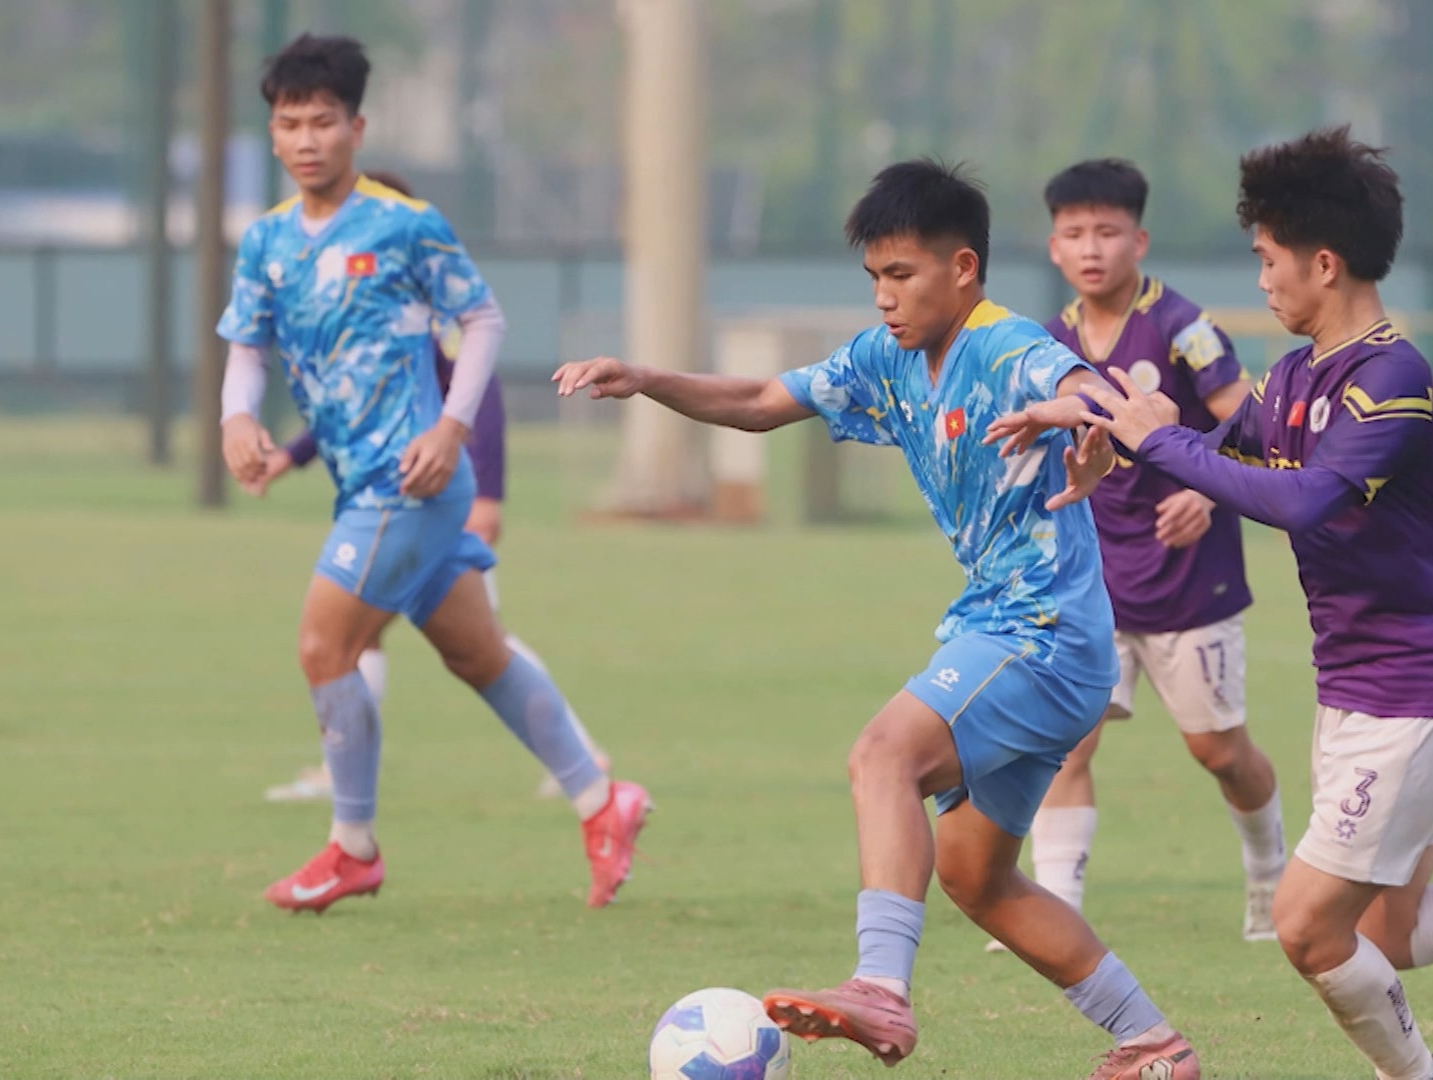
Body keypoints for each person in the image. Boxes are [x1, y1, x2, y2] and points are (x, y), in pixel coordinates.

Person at [990, 126, 1433, 1080]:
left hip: (1418, 694)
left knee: (1304, 927)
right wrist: (1101, 422)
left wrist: (1162, 444)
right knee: (1388, 934)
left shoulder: (1392, 377)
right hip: (1360, 690)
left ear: (1323, 264)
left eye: (1268, 259)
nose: (1261, 280)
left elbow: (1303, 498)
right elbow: (1209, 446)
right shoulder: (1294, 375)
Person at [554, 159, 1201, 1080]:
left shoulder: (1009, 346)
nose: (885, 297)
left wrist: (1074, 409)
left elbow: (1141, 407)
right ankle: (1154, 1045)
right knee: (977, 878)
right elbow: (761, 402)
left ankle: (881, 989)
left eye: (902, 274)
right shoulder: (883, 358)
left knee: (881, 756)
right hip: (1015, 634)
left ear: (963, 269)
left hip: (1040, 634)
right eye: (874, 278)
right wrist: (646, 377)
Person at [217, 33, 647, 913]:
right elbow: (246, 348)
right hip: (360, 484)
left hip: (408, 483)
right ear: (272, 134)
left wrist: (452, 430)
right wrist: (237, 418)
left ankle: (352, 848)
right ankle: (603, 801)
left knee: (324, 646)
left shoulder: (404, 224)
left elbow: (482, 321)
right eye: (290, 124)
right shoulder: (265, 242)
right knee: (476, 653)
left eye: (323, 122)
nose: (306, 139)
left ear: (357, 127)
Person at [252, 168, 608, 805]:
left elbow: (483, 391)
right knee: (385, 637)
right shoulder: (368, 297)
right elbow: (347, 403)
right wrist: (290, 457)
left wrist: (489, 494)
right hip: (395, 489)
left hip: (436, 489)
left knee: (473, 642)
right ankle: (343, 780)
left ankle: (581, 758)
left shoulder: (429, 293)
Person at [1004, 158, 1282, 947]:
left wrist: (1210, 490)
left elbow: (1252, 425)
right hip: (1092, 579)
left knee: (1218, 751)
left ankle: (1271, 875)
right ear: (1054, 247)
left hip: (1188, 578)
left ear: (1140, 240)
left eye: (1108, 231)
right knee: (1066, 741)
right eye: (1074, 233)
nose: (1091, 248)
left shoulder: (1184, 329)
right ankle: (1055, 907)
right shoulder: (1050, 342)